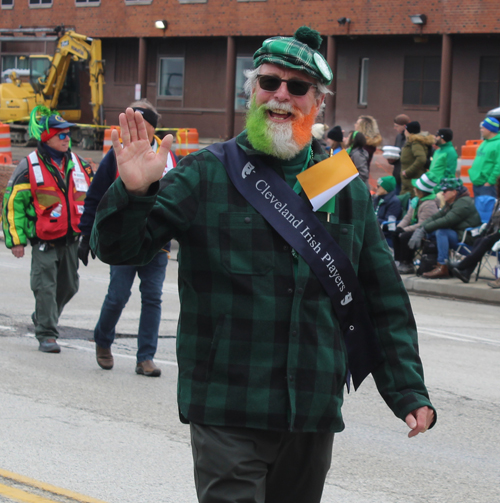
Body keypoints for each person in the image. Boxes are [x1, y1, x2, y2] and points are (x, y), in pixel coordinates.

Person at [91, 26, 436, 503]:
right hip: (228, 404)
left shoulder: (341, 183)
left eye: (297, 88)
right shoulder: (206, 172)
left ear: (317, 102)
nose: (281, 96)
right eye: (270, 82)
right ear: (251, 90)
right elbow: (120, 250)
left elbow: (380, 294)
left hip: (311, 408)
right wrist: (132, 193)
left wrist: (408, 391)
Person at [78, 99, 177, 377]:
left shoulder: (169, 157)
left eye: (143, 127)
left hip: (157, 243)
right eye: (132, 125)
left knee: (153, 298)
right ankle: (103, 340)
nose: (137, 133)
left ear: (153, 129)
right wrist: (87, 235)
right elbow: (95, 196)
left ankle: (145, 357)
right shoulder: (118, 155)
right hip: (123, 240)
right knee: (118, 295)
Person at [2, 106, 93, 353]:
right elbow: (13, 205)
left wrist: (93, 234)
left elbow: (94, 199)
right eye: (61, 135)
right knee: (45, 287)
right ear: (47, 137)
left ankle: (43, 316)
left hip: (72, 240)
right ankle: (46, 334)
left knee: (70, 286)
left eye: (68, 135)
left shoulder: (81, 164)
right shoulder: (28, 165)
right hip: (44, 242)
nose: (67, 139)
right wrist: (16, 240)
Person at [409, 178, 481, 279]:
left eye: (445, 191)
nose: (442, 194)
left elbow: (447, 220)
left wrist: (424, 229)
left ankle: (443, 267)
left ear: (454, 192)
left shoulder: (463, 202)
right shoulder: (452, 201)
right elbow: (436, 216)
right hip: (458, 234)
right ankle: (428, 264)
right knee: (433, 232)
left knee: (441, 232)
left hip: (468, 238)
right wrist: (420, 228)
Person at [450, 176, 500, 283]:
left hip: (498, 235)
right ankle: (465, 273)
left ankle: (462, 265)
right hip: (494, 233)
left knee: (485, 241)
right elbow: (491, 221)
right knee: (479, 240)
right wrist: (485, 230)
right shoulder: (498, 202)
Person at [393, 173, 439, 274]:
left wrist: (404, 230)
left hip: (426, 232)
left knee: (405, 236)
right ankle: (398, 261)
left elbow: (423, 224)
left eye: (416, 187)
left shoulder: (429, 204)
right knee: (396, 234)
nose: (414, 188)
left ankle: (407, 263)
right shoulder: (416, 200)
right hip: (415, 228)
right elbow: (408, 217)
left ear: (421, 191)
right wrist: (399, 227)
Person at [400, 121, 435, 196]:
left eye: (406, 130)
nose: (404, 132)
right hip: (408, 182)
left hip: (412, 180)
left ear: (408, 131)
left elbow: (421, 159)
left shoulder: (416, 143)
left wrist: (408, 172)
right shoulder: (411, 142)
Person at [468, 116, 500, 198]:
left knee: (486, 210)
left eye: (483, 128)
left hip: (487, 186)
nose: (481, 130)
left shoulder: (498, 144)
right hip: (477, 184)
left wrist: (490, 182)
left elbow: (498, 165)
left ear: (490, 129)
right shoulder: (484, 142)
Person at [373, 176, 401, 244]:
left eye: (379, 186)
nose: (376, 188)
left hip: (384, 234)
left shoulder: (394, 202)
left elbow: (389, 224)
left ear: (386, 188)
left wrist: (371, 220)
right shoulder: (377, 198)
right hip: (374, 229)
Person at [387, 114, 410, 194]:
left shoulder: (410, 139)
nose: (395, 128)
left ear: (404, 126)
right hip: (397, 173)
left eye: (396, 126)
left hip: (406, 174)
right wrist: (391, 159)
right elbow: (396, 152)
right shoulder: (399, 137)